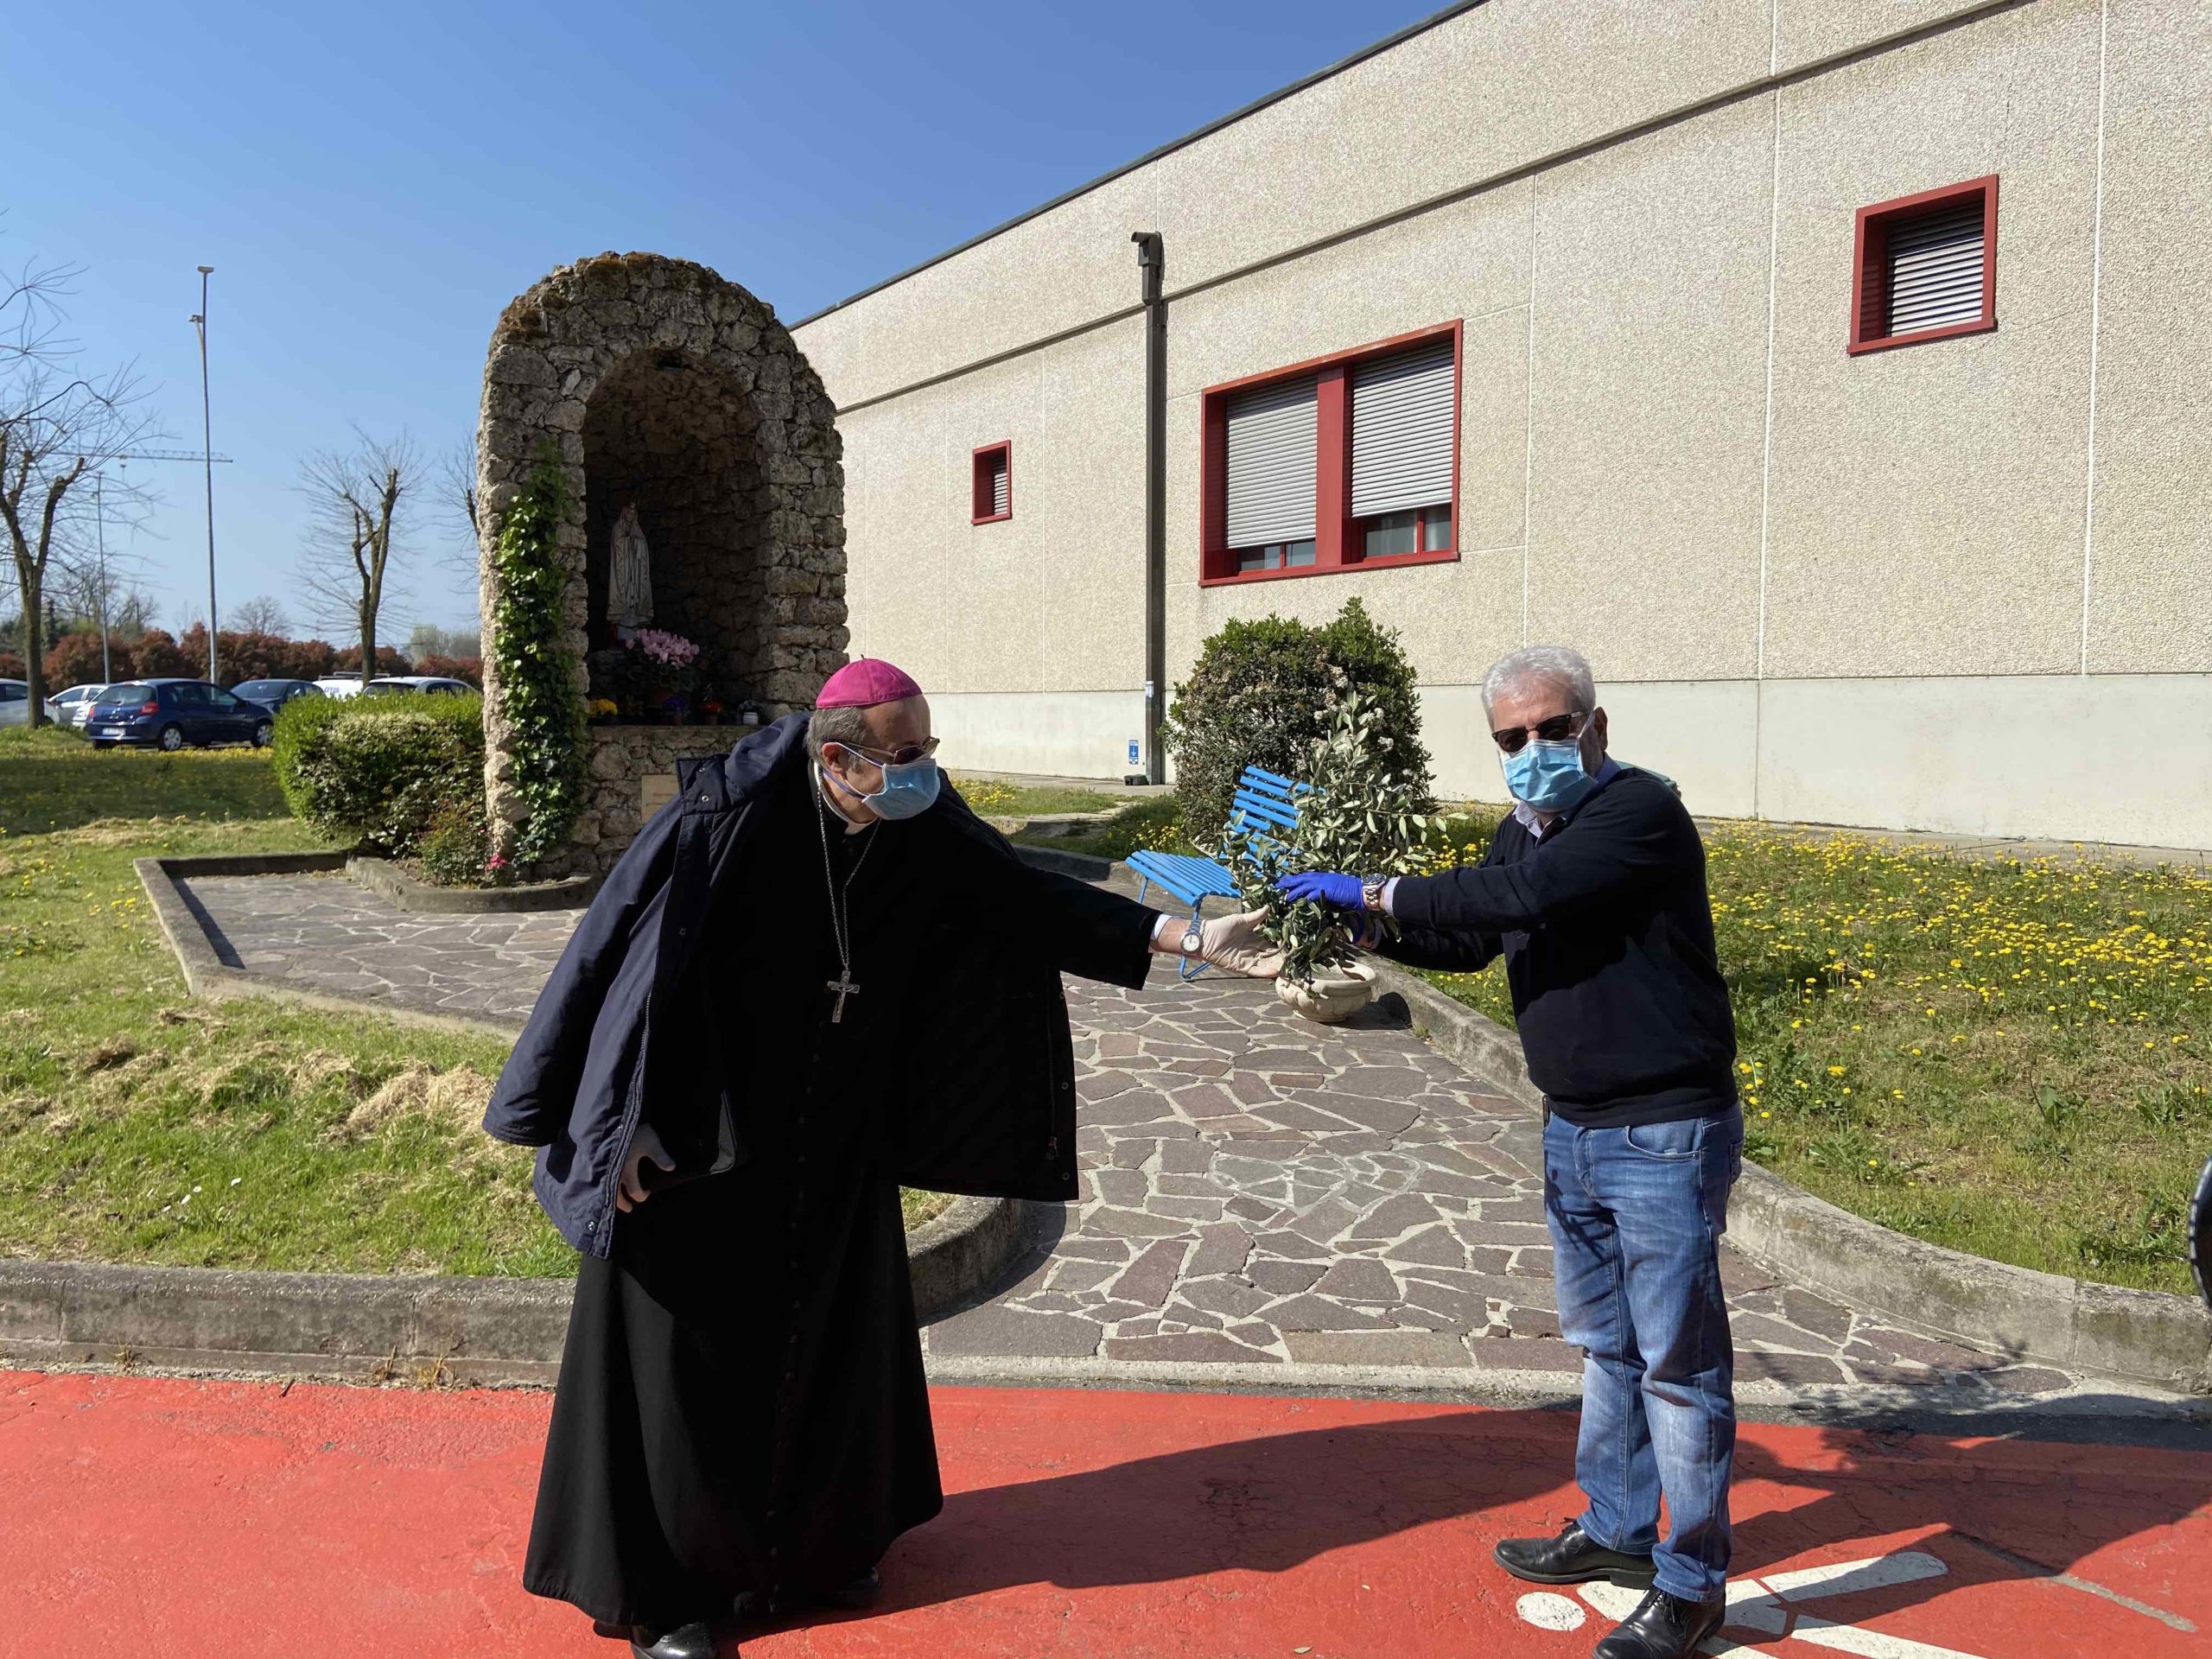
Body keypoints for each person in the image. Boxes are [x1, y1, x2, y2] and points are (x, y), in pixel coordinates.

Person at [483, 658, 1278, 1659]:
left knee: (829, 1343)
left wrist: (1185, 937)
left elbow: (1023, 900)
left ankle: (817, 1549)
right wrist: (621, 1121)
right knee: (689, 1365)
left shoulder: (913, 824)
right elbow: (623, 967)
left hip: (832, 1137)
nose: (922, 774)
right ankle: (670, 1593)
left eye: (929, 753)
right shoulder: (722, 819)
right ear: (837, 758)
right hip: (700, 1139)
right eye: (903, 758)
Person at [1276, 644, 1741, 1659]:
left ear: (1596, 727)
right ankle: (1617, 1531)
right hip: (1571, 1124)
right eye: (1509, 738)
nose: (1532, 750)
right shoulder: (1522, 831)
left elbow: (1518, 901)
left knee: (1678, 1363)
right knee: (1608, 1348)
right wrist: (1352, 920)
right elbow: (1473, 938)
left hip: (1660, 1128)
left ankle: (1694, 1583)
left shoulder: (1636, 814)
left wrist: (1378, 886)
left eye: (1550, 729)